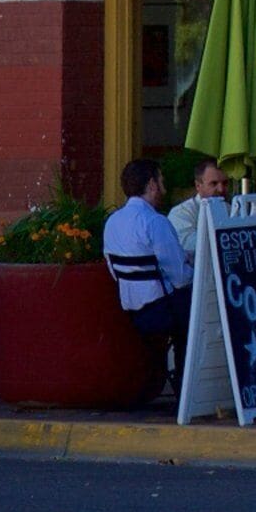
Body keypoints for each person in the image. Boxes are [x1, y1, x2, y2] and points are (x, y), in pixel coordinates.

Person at [102, 158, 193, 401]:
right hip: (162, 311)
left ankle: (162, 379)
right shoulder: (156, 222)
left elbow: (114, 271)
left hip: (131, 309)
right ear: (152, 184)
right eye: (161, 181)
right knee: (199, 308)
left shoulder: (112, 223)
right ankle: (188, 387)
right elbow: (181, 278)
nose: (163, 187)